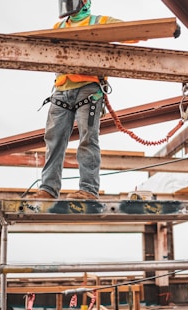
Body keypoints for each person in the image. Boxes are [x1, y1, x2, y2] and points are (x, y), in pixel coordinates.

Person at [28, 0, 122, 200]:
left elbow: (133, 32)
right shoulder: (59, 27)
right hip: (61, 91)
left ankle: (88, 190)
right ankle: (48, 189)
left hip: (88, 90)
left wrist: (170, 29)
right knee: (54, 141)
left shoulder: (100, 22)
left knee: (88, 139)